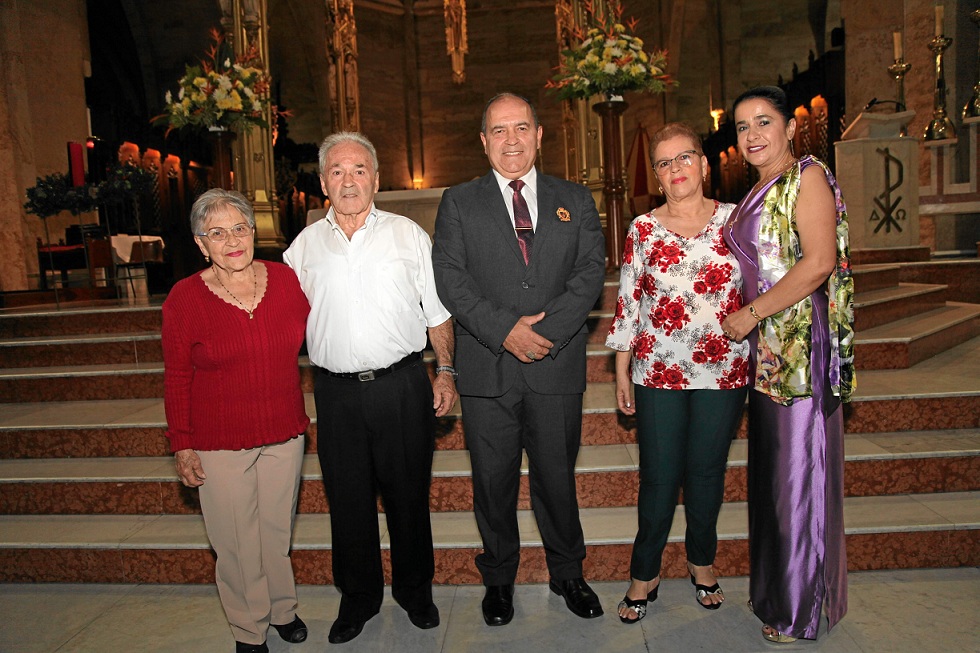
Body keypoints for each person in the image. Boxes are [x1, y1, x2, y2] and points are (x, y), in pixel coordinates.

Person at [432, 92, 606, 626]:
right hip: (488, 369)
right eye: (500, 130)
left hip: (555, 365)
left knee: (557, 479)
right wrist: (506, 331)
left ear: (539, 134)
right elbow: (451, 279)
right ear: (484, 141)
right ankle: (499, 579)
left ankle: (568, 573)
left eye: (522, 128)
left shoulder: (574, 199)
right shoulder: (458, 202)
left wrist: (542, 334)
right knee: (493, 483)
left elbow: (590, 273)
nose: (512, 140)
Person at [283, 131, 458, 645]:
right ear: (323, 183)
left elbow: (437, 313)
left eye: (359, 170)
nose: (349, 180)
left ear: (376, 179)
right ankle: (358, 598)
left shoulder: (408, 235)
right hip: (335, 394)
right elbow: (279, 319)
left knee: (409, 496)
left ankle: (415, 592)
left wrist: (446, 371)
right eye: (337, 171)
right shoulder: (303, 248)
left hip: (401, 386)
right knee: (348, 501)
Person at [721, 86, 855, 643]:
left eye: (763, 122)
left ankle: (798, 608)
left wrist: (750, 314)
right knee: (774, 476)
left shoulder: (808, 176)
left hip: (797, 343)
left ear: (790, 127)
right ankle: (776, 593)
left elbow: (819, 262)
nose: (752, 135)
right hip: (768, 347)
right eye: (742, 127)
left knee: (799, 473)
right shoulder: (756, 188)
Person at [606, 122, 750, 624]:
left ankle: (701, 561)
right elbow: (628, 303)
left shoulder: (738, 222)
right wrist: (621, 370)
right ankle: (644, 572)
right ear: (657, 175)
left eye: (684, 157)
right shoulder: (642, 229)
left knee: (707, 472)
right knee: (659, 476)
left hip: (724, 368)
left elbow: (763, 288)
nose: (676, 169)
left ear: (704, 164)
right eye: (664, 163)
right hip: (657, 370)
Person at [163, 189, 311, 653]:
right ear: (200, 243)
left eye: (240, 228)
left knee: (275, 532)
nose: (232, 241)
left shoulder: (286, 281)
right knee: (235, 542)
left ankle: (282, 609)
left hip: (284, 432)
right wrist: (182, 443)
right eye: (217, 233)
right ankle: (249, 628)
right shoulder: (185, 298)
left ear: (253, 232)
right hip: (219, 441)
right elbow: (176, 376)